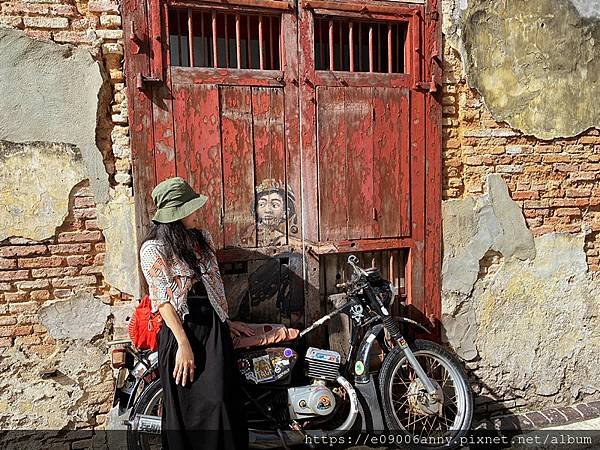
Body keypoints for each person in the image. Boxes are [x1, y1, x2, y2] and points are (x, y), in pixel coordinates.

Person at [139, 176, 254, 450]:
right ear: (175, 215)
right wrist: (183, 345)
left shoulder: (201, 239)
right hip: (181, 331)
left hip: (213, 329)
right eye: (189, 208)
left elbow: (212, 284)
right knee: (187, 405)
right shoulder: (152, 249)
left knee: (221, 402)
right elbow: (163, 301)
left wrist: (225, 320)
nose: (196, 213)